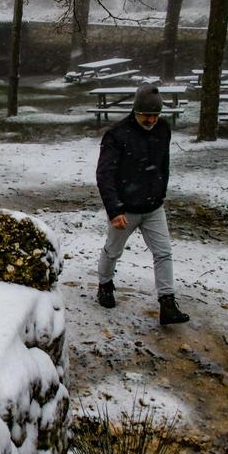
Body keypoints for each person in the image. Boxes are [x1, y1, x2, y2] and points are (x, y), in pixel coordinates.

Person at [94, 84, 189, 325]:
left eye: (155, 115)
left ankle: (167, 303)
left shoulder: (163, 129)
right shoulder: (117, 135)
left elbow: (162, 163)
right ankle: (105, 284)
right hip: (125, 209)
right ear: (135, 111)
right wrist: (114, 210)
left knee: (163, 252)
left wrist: (160, 193)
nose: (151, 120)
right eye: (146, 115)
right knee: (113, 250)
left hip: (154, 207)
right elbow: (105, 175)